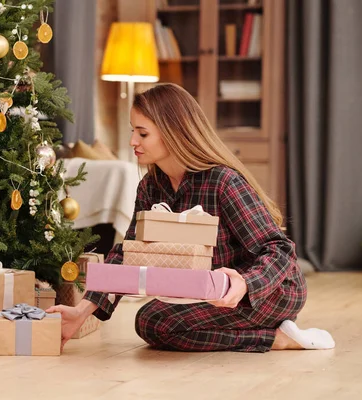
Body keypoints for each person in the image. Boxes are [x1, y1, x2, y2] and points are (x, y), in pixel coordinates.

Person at [47, 83, 334, 353]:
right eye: (133, 131)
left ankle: (280, 340)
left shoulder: (223, 182)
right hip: (211, 292)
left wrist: (245, 283)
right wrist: (81, 311)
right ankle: (272, 334)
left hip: (270, 290)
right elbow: (129, 253)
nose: (133, 141)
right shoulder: (150, 186)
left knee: (157, 322)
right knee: (150, 320)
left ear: (173, 132)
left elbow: (280, 249)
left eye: (142, 133)